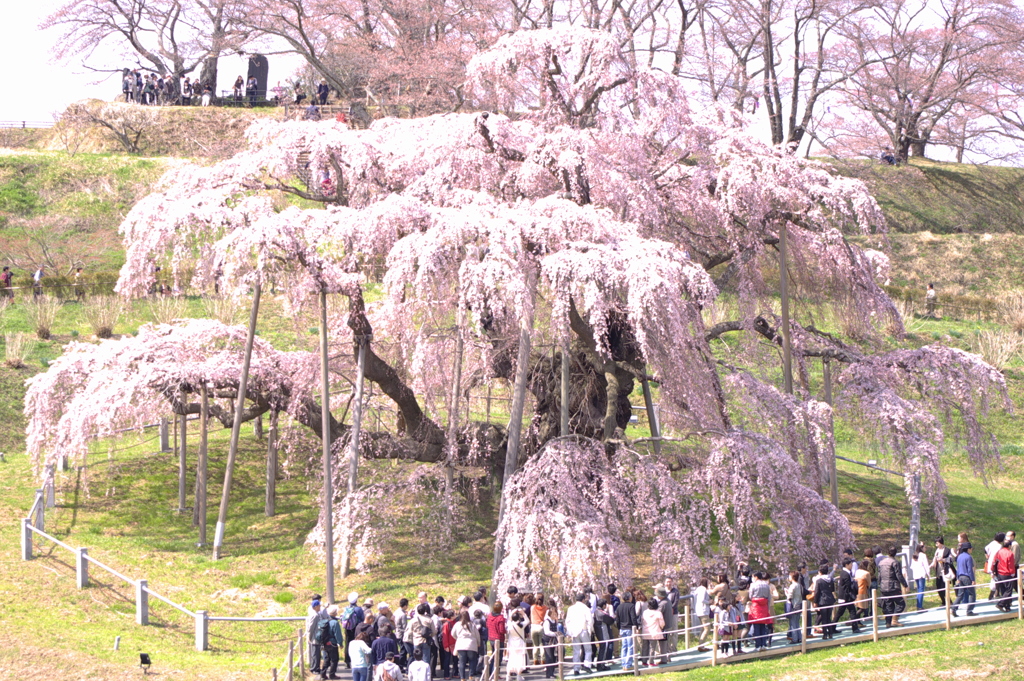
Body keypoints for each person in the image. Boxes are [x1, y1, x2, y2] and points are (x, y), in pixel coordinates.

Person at [878, 546, 908, 627]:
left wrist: (879, 584)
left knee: (888, 605)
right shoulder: (895, 562)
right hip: (893, 586)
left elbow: (879, 575)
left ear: (887, 552)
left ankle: (888, 622)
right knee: (901, 603)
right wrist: (905, 584)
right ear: (895, 553)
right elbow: (899, 575)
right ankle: (894, 620)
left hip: (883, 586)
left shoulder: (881, 562)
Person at [565, 592, 593, 674]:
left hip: (574, 631)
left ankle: (576, 668)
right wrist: (589, 630)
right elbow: (590, 620)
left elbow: (567, 621)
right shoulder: (585, 608)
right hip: (583, 630)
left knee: (576, 650)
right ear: (583, 600)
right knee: (588, 649)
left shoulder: (571, 608)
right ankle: (587, 665)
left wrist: (570, 632)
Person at [747, 571, 774, 650]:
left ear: (755, 577)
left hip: (756, 607)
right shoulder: (766, 585)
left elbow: (750, 596)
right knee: (763, 626)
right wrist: (768, 608)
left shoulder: (753, 585)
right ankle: (763, 644)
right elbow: (769, 597)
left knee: (756, 627)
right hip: (764, 606)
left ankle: (758, 645)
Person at [452, 610, 479, 681]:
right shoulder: (472, 624)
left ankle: (462, 678)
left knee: (461, 662)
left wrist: (458, 638)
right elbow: (477, 635)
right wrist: (478, 643)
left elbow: (452, 633)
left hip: (461, 645)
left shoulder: (457, 624)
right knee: (472, 661)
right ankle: (471, 676)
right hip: (471, 645)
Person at [835, 558, 860, 632]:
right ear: (846, 565)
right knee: (851, 612)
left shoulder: (844, 572)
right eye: (850, 564)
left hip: (844, 597)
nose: (852, 565)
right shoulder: (846, 574)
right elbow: (848, 586)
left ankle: (832, 627)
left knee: (840, 613)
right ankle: (855, 628)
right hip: (846, 597)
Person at [952, 541, 976, 617]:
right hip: (967, 577)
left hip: (960, 577)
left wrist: (957, 577)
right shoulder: (968, 557)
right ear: (968, 549)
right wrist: (973, 579)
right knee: (972, 594)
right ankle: (969, 611)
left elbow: (958, 568)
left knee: (960, 595)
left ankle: (953, 609)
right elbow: (970, 569)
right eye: (971, 548)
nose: (971, 550)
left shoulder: (959, 556)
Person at [319, 604, 343, 681]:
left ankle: (323, 674)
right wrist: (341, 643)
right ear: (335, 613)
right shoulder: (335, 623)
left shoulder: (324, 621)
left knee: (327, 659)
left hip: (325, 643)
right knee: (334, 659)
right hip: (332, 643)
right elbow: (338, 634)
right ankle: (332, 674)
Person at [640, 596, 665, 666]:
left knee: (644, 647)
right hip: (654, 632)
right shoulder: (658, 613)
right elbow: (662, 623)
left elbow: (642, 620)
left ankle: (644, 661)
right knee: (652, 648)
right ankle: (651, 662)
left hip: (645, 632)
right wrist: (661, 627)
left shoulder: (645, 612)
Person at [993, 540, 1017, 611]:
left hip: (1000, 573)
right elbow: (1011, 565)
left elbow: (995, 561)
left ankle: (1007, 607)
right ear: (1009, 546)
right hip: (1007, 573)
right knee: (1009, 590)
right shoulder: (1010, 553)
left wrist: (994, 571)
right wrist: (1013, 573)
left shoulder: (999, 552)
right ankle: (1000, 604)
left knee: (1003, 590)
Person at [344, 593, 366, 668]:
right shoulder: (359, 609)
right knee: (357, 643)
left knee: (347, 644)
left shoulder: (346, 608)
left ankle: (347, 661)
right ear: (356, 601)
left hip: (347, 629)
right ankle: (356, 660)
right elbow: (362, 618)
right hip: (356, 628)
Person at [308, 597, 329, 675]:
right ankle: (314, 668)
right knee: (315, 654)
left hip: (318, 636)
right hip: (314, 637)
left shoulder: (318, 614)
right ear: (315, 607)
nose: (320, 607)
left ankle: (317, 668)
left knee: (317, 653)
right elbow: (311, 627)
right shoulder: (315, 615)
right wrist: (309, 637)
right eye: (319, 606)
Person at [506, 609, 528, 681]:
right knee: (520, 659)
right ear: (518, 618)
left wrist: (512, 612)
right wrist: (523, 613)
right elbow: (528, 621)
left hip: (512, 643)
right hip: (520, 643)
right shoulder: (521, 625)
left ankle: (508, 675)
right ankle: (519, 675)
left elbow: (508, 619)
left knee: (511, 659)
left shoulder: (510, 625)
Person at [932, 536, 954, 605]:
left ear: (941, 543)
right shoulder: (937, 551)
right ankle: (943, 601)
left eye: (937, 543)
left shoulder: (947, 550)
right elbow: (934, 559)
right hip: (938, 572)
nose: (936, 544)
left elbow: (951, 559)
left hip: (945, 571)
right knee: (939, 587)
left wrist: (943, 560)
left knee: (945, 587)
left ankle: (949, 601)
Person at [484, 602, 505, 677]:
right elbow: (502, 630)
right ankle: (496, 674)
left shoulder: (489, 616)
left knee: (493, 656)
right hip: (499, 639)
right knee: (498, 657)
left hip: (491, 638)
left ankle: (490, 672)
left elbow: (487, 625)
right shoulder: (500, 618)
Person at [784, 571, 804, 645]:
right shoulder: (799, 585)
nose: (788, 577)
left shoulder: (792, 586)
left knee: (793, 623)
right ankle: (799, 638)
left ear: (792, 577)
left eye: (789, 576)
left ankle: (795, 639)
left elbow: (790, 597)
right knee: (797, 623)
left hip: (793, 606)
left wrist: (787, 593)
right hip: (799, 605)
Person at [985, 532, 1007, 600]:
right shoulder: (999, 546)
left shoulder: (992, 543)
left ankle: (996, 594)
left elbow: (985, 549)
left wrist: (987, 557)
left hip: (990, 563)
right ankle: (991, 595)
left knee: (995, 579)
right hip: (995, 565)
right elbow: (998, 557)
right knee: (995, 580)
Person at [909, 543, 930, 610]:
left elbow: (911, 567)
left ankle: (919, 605)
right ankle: (920, 606)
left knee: (919, 590)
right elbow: (926, 566)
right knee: (921, 590)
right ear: (921, 548)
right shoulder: (923, 555)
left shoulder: (914, 556)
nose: (925, 548)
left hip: (916, 575)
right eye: (924, 547)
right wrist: (928, 575)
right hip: (921, 575)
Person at [541, 603, 559, 679]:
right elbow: (547, 632)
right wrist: (555, 634)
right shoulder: (547, 621)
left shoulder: (555, 621)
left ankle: (552, 672)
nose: (555, 615)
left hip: (553, 640)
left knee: (554, 657)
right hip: (547, 640)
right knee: (549, 657)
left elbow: (556, 629)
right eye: (553, 613)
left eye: (556, 613)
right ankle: (548, 673)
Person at [692, 578, 711, 649]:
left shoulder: (698, 589)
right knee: (707, 628)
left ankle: (701, 645)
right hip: (703, 611)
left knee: (703, 628)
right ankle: (701, 644)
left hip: (699, 610)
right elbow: (702, 599)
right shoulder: (703, 589)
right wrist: (709, 602)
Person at [529, 594, 547, 666]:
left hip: (533, 627)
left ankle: (535, 660)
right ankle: (543, 660)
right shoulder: (545, 608)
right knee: (542, 645)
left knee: (535, 645)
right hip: (541, 626)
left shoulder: (532, 607)